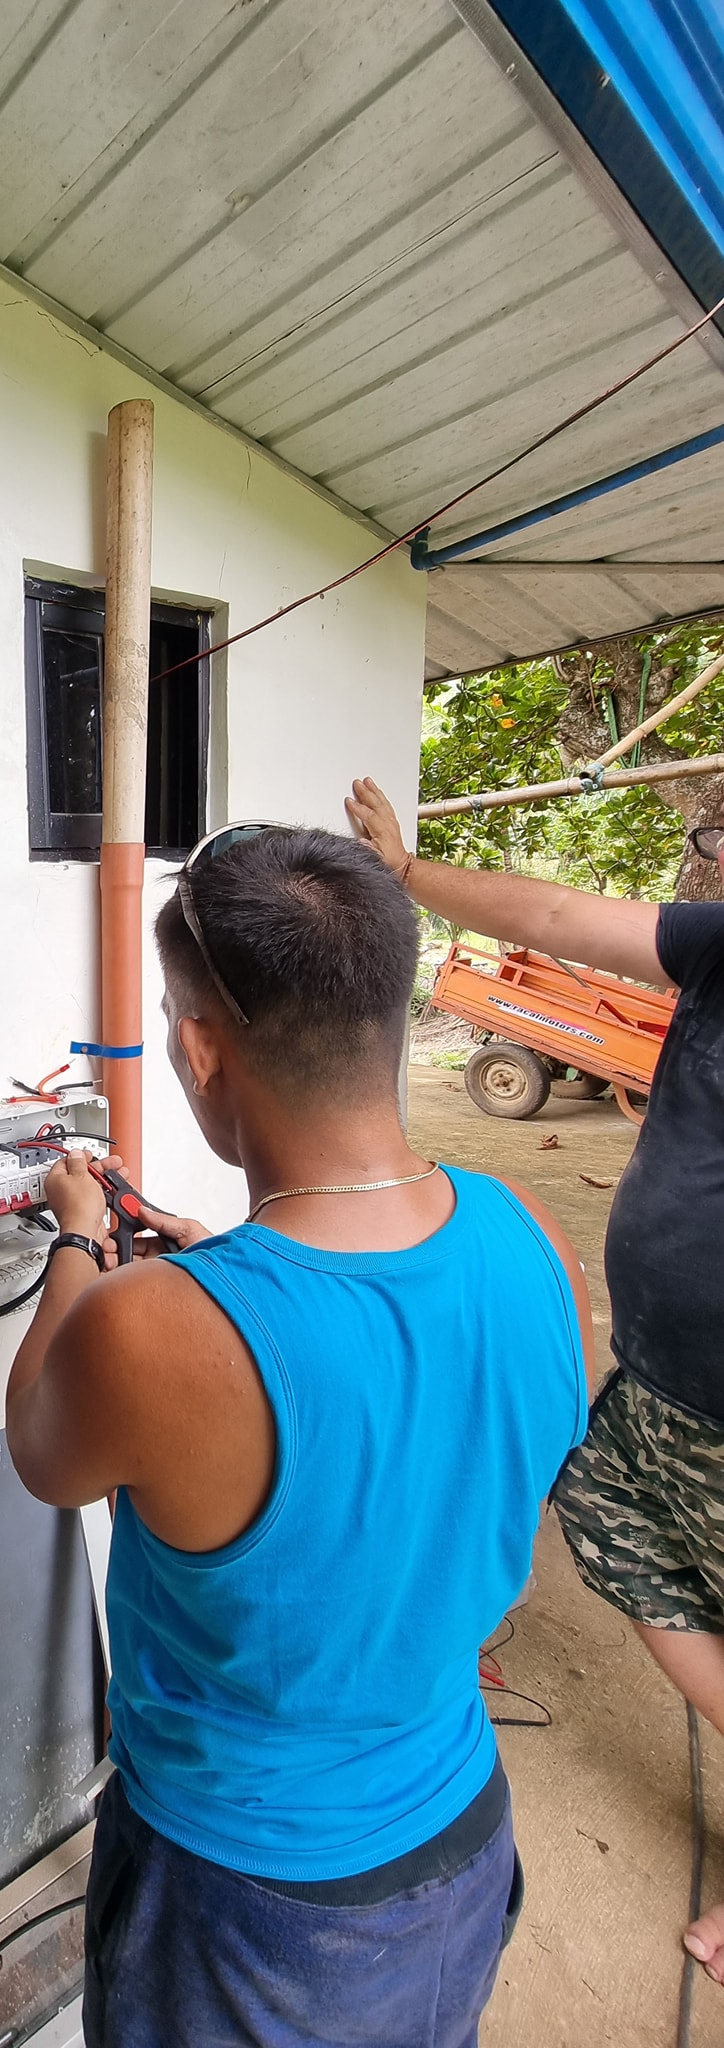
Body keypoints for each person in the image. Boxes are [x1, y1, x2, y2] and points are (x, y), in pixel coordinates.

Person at [6, 825, 590, 2048]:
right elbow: (445, 1452)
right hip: (457, 1839)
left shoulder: (147, 1330)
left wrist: (78, 1244)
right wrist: (217, 1277)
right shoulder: (526, 1231)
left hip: (247, 1904)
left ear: (197, 1046)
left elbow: (41, 1449)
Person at [347, 776, 724, 1982]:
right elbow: (556, 916)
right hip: (658, 1380)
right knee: (604, 1514)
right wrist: (405, 875)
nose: (707, 859)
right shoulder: (715, 946)